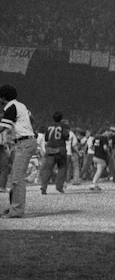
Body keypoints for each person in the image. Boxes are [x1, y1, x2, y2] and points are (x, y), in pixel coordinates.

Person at [1, 84, 37, 218]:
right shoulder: (20, 105)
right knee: (15, 176)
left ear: (3, 97)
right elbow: (32, 118)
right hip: (26, 141)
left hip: (24, 142)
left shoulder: (10, 107)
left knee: (17, 178)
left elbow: (3, 127)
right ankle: (13, 207)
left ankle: (16, 210)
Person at [39, 111, 70, 195]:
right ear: (61, 118)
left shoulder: (48, 127)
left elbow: (46, 139)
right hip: (60, 149)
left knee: (48, 169)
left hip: (50, 149)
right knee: (62, 167)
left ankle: (44, 187)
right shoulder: (64, 126)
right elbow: (66, 137)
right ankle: (59, 186)